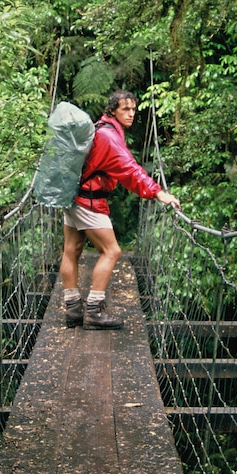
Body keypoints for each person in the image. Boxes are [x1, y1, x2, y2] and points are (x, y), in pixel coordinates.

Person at [60, 90, 181, 330]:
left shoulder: (100, 128)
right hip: (89, 200)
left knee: (71, 249)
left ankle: (73, 308)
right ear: (113, 110)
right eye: (125, 109)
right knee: (112, 251)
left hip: (72, 195)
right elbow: (130, 170)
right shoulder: (109, 137)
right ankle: (93, 311)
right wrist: (158, 192)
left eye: (134, 109)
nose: (131, 113)